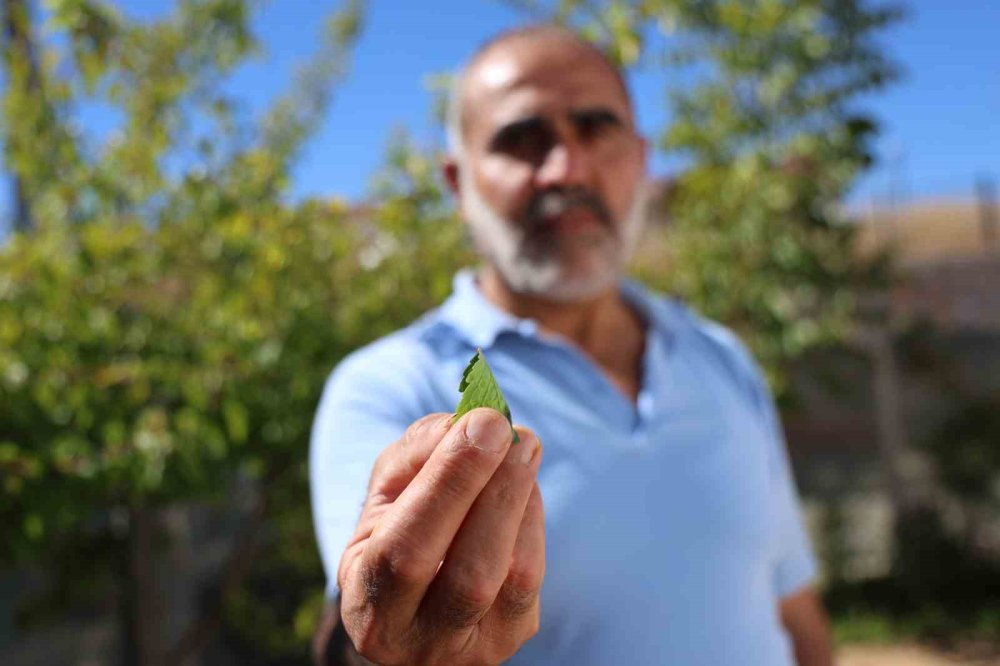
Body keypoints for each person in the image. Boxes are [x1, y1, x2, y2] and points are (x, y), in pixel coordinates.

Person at [309, 24, 834, 666]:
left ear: (640, 160)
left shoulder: (722, 359)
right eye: (520, 141)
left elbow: (792, 606)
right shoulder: (391, 386)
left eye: (596, 128)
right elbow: (367, 624)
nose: (566, 168)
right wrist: (377, 641)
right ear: (458, 184)